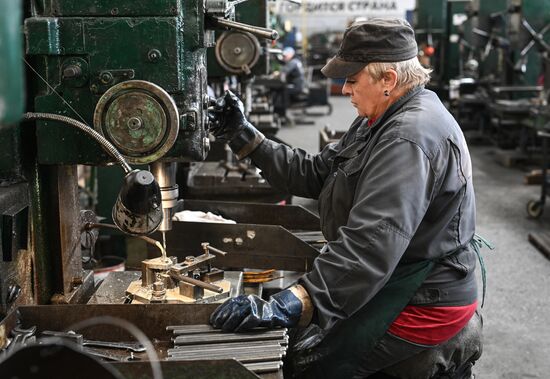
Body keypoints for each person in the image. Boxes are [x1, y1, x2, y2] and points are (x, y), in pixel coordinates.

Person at [209, 18, 483, 378]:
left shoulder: (408, 138)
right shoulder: (378, 118)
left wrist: (295, 301)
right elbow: (315, 173)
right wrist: (244, 135)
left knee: (306, 366)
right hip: (393, 282)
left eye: (353, 80)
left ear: (389, 79)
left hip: (420, 300)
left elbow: (371, 243)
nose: (344, 90)